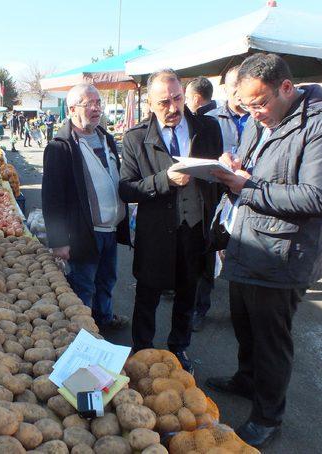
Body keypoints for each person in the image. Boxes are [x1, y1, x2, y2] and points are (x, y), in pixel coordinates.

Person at [206, 53, 322, 448]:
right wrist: (235, 165)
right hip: (249, 241)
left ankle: (268, 416)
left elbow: (319, 198)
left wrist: (247, 188)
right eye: (247, 106)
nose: (253, 114)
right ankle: (247, 379)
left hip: (285, 253)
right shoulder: (264, 120)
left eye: (259, 104)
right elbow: (257, 167)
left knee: (271, 338)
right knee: (244, 321)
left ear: (286, 88)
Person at [119, 69, 222, 373]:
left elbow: (216, 178)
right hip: (156, 233)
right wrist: (164, 180)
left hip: (194, 229)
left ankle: (179, 349)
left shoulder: (207, 128)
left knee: (187, 293)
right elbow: (126, 189)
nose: (174, 107)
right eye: (164, 102)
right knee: (148, 295)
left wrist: (225, 169)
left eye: (178, 98)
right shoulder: (136, 138)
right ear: (149, 103)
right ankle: (142, 351)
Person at [42, 83, 130, 329]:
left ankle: (104, 318)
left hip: (110, 230)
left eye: (98, 103)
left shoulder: (107, 139)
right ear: (71, 109)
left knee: (107, 280)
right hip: (84, 233)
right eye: (88, 103)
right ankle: (84, 332)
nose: (96, 108)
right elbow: (52, 198)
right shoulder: (60, 147)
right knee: (84, 284)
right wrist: (59, 241)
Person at [191, 66, 251, 332]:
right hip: (215, 194)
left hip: (250, 195)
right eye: (233, 86)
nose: (238, 92)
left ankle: (244, 313)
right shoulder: (209, 118)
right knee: (208, 251)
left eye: (242, 85)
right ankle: (200, 308)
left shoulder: (260, 117)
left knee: (246, 253)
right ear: (225, 89)